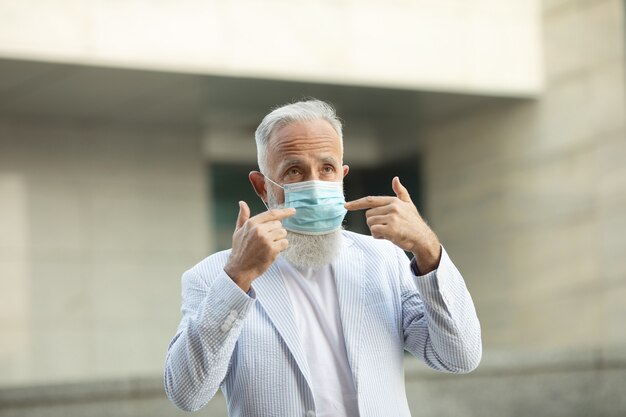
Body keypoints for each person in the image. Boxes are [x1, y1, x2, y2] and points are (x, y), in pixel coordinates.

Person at [164, 99, 482, 417]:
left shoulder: (384, 261)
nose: (314, 185)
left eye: (326, 169)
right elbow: (186, 394)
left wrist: (427, 247)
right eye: (294, 171)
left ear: (342, 176)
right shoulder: (215, 276)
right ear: (262, 187)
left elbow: (459, 356)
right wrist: (237, 278)